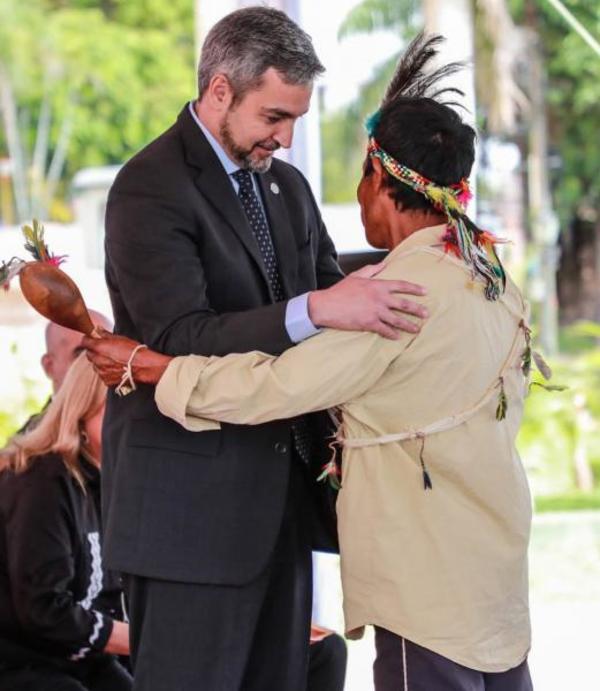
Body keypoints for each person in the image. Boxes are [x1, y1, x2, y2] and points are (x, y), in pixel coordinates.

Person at [86, 34, 534, 691]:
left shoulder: (287, 189)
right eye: (275, 117)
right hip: (190, 519)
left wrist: (429, 271)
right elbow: (180, 335)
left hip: (282, 514)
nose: (288, 139)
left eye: (297, 118)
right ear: (219, 91)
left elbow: (343, 308)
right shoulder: (150, 187)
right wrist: (318, 309)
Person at [0, 354, 131, 691]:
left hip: (79, 659)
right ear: (82, 407)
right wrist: (138, 638)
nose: (130, 425)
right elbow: (41, 607)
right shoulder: (42, 480)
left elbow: (114, 595)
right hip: (21, 663)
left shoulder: (108, 479)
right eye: (116, 410)